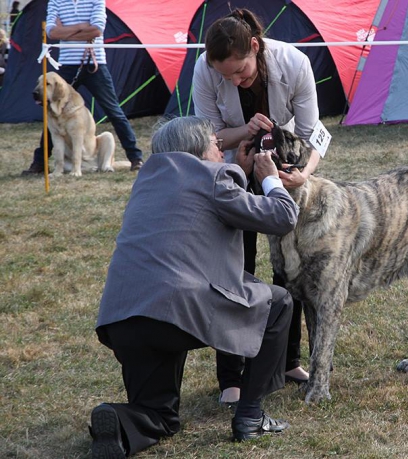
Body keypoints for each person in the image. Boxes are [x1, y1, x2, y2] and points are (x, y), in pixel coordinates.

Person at [89, 116, 299, 457]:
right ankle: (250, 416)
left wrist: (240, 175)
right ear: (199, 149)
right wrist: (269, 179)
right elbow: (281, 217)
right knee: (278, 304)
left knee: (160, 414)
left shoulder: (146, 182)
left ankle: (118, 420)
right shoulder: (216, 176)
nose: (223, 151)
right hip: (177, 313)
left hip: (124, 319)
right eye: (218, 145)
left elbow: (203, 206)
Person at [193, 8, 320, 406]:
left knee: (290, 268)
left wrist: (301, 175)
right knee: (234, 271)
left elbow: (314, 134)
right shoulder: (205, 68)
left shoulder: (295, 63)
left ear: (254, 46)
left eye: (240, 71)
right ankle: (231, 374)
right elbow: (208, 140)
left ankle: (287, 360)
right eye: (225, 76)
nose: (233, 80)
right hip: (233, 172)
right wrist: (244, 132)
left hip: (285, 175)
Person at [21, 0, 143, 176]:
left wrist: (67, 32)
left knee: (114, 111)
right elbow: (52, 32)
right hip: (67, 66)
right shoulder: (56, 1)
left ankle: (135, 158)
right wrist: (82, 27)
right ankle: (39, 162)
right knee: (52, 113)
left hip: (95, 64)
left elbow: (97, 30)